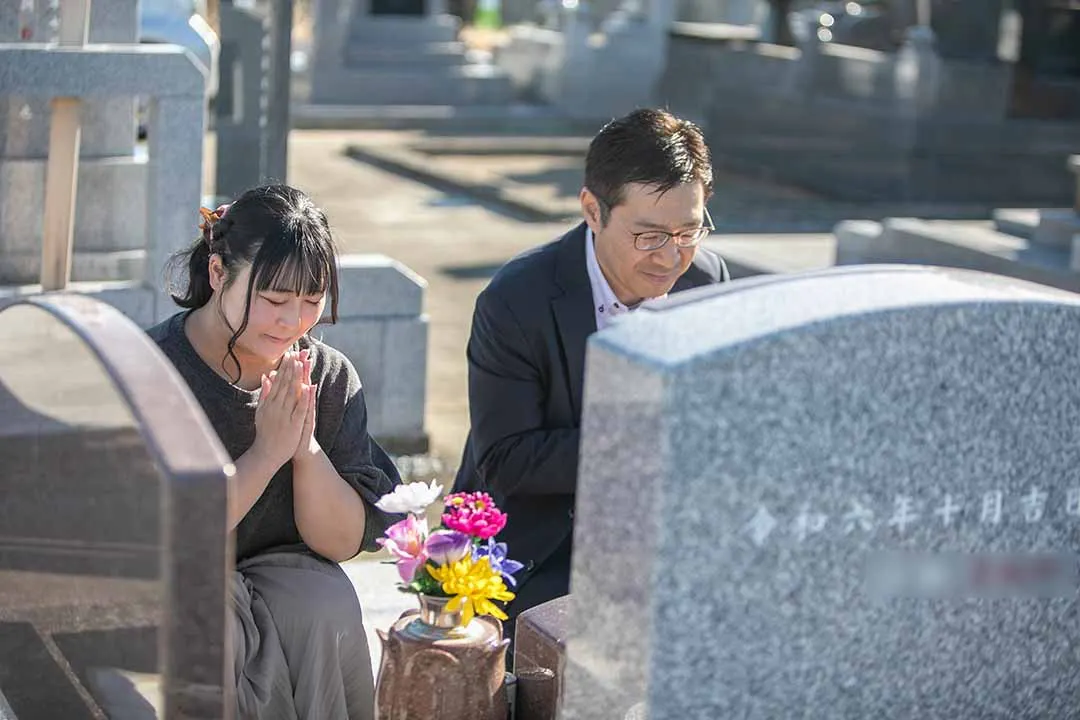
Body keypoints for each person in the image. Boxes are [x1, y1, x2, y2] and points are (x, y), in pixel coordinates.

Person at [453, 108, 730, 648]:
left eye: (689, 230)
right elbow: (507, 460)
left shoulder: (707, 278)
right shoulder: (517, 301)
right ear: (592, 211)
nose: (673, 256)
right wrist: (649, 442)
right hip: (540, 545)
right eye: (649, 235)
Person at [149, 184, 402, 720]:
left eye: (311, 303)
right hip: (169, 578)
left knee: (325, 604)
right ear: (218, 274)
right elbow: (163, 535)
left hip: (284, 572)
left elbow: (342, 543)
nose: (292, 323)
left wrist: (303, 447)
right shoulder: (154, 372)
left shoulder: (328, 377)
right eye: (274, 300)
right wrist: (265, 454)